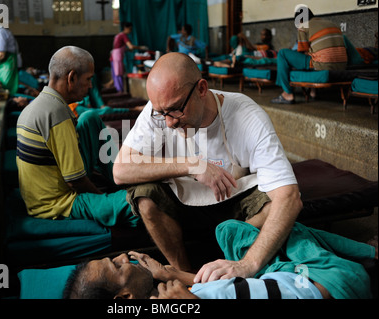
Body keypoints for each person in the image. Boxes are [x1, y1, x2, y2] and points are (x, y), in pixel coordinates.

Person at [113, 52, 302, 273]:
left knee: (272, 205)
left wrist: (248, 265)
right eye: (162, 113)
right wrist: (192, 165)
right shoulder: (160, 111)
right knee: (144, 196)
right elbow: (120, 171)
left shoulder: (248, 117)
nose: (169, 122)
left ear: (202, 89)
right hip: (187, 202)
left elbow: (289, 197)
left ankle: (227, 255)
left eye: (176, 110)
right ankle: (184, 275)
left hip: (235, 202)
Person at [63, 221, 376, 299]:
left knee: (229, 232)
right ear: (126, 297)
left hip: (276, 278)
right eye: (116, 266)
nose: (121, 257)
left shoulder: (166, 296)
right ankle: (370, 253)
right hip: (332, 282)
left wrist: (169, 274)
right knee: (286, 228)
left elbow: (230, 287)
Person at [16, 46, 138, 228]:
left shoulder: (41, 104)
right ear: (71, 77)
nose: (90, 85)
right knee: (142, 201)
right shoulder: (56, 114)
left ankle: (122, 179)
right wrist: (104, 200)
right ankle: (122, 191)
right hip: (58, 204)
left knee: (90, 118)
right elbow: (76, 181)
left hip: (50, 187)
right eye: (88, 79)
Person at [271, 4, 348, 104]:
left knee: (282, 54)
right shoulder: (332, 24)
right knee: (314, 55)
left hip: (323, 64)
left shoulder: (303, 26)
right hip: (342, 64)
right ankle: (313, 92)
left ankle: (287, 94)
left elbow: (302, 51)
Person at [110, 22, 147, 93]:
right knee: (119, 73)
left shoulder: (118, 35)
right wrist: (141, 47)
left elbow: (121, 47)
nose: (130, 31)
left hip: (114, 55)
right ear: (126, 28)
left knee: (117, 73)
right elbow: (130, 46)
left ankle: (118, 89)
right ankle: (120, 90)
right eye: (130, 29)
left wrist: (128, 49)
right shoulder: (123, 35)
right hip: (117, 56)